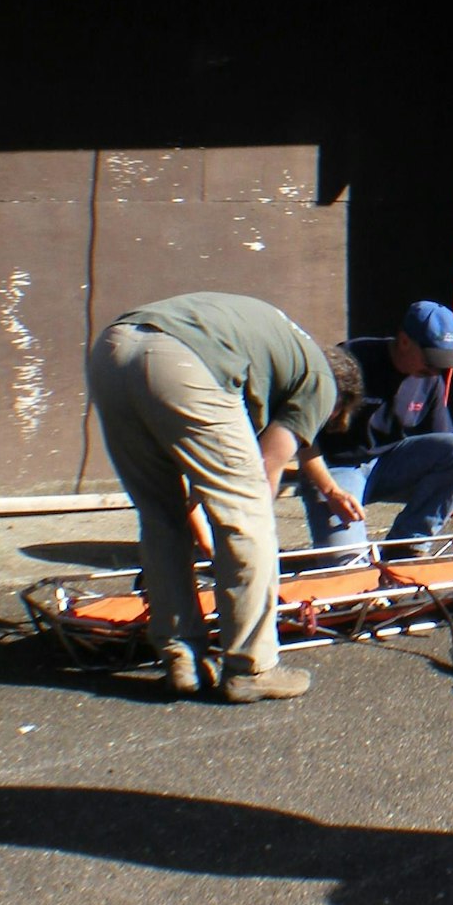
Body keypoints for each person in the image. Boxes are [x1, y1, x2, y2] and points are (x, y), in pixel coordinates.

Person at [87, 291, 363, 704]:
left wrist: (202, 520)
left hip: (112, 352)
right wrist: (235, 544)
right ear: (340, 400)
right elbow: (264, 474)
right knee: (250, 518)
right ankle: (252, 667)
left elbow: (205, 477)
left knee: (160, 518)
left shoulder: (277, 352)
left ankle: (183, 658)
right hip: (181, 360)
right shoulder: (321, 384)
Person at [296, 300, 453, 555]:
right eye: (430, 359)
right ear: (404, 341)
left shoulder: (430, 379)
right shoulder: (350, 361)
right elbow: (301, 434)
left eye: (442, 360)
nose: (436, 369)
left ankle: (408, 544)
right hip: (336, 469)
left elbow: (452, 461)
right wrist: (330, 491)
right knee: (348, 563)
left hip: (390, 464)